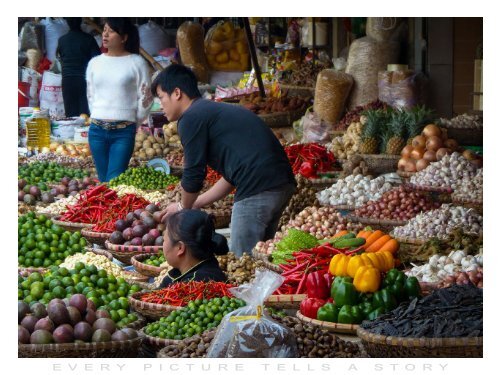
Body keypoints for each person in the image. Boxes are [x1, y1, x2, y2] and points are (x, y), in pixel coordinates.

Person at [152, 64, 296, 257]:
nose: (161, 105)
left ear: (177, 93)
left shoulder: (190, 118)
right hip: (281, 183)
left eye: (161, 97)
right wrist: (195, 203)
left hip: (257, 188)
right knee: (263, 258)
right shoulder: (211, 111)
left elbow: (193, 174)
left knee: (242, 260)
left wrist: (181, 209)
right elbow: (231, 177)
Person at [86, 18, 153, 182]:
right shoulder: (95, 63)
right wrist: (96, 115)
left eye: (111, 30)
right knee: (103, 181)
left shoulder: (137, 63)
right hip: (97, 131)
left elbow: (146, 97)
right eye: (104, 30)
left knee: (114, 181)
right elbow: (91, 95)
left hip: (123, 133)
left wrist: (133, 123)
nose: (105, 34)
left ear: (124, 37)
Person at [159, 209, 228, 288]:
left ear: (180, 248)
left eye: (164, 240)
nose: (162, 244)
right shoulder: (209, 266)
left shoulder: (196, 285)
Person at [56, 17, 101, 117]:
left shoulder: (62, 40)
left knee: (71, 115)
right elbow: (98, 59)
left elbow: (60, 58)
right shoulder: (88, 39)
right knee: (85, 115)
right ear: (81, 22)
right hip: (84, 80)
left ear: (67, 23)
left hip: (67, 81)